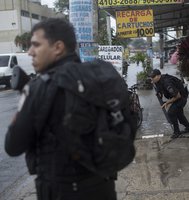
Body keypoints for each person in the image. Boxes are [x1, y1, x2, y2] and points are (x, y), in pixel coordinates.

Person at [5, 18, 117, 200]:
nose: (30, 52)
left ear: (58, 47)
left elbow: (13, 146)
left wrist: (19, 114)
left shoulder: (38, 87)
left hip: (61, 191)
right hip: (102, 187)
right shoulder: (97, 79)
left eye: (36, 45)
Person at [150, 69, 189, 138]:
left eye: (153, 77)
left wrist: (167, 103)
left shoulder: (167, 82)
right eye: (151, 77)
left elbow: (177, 96)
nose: (151, 79)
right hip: (175, 97)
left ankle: (176, 132)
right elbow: (160, 89)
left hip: (181, 97)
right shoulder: (157, 81)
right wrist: (159, 93)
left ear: (158, 76)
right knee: (179, 115)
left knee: (171, 112)